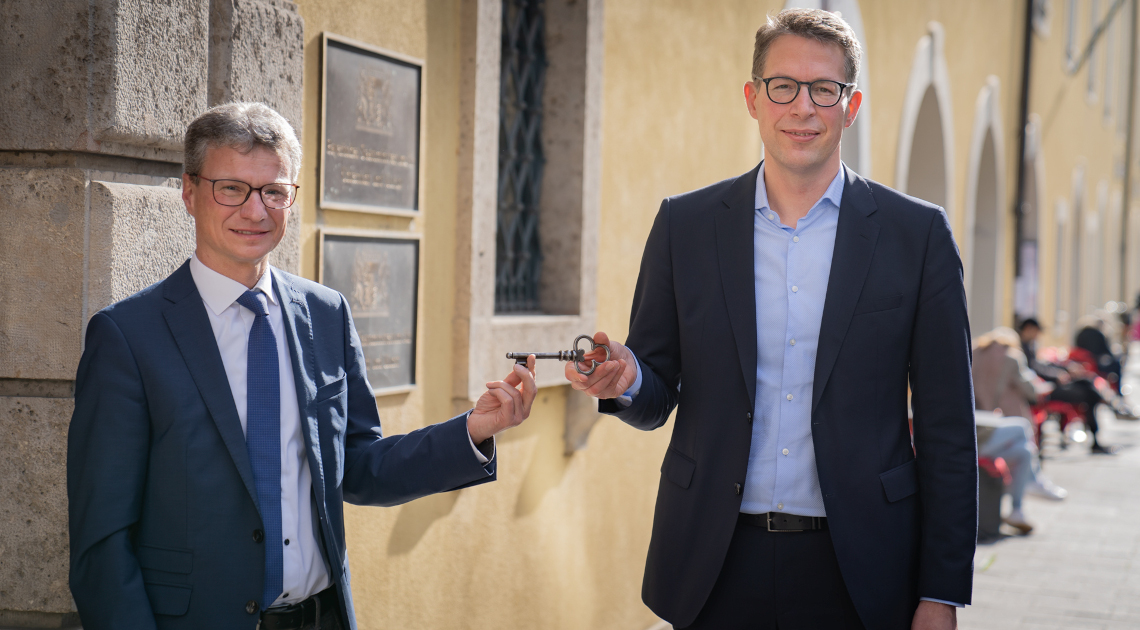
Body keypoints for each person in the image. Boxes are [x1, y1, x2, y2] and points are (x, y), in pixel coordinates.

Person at [565, 9, 976, 630]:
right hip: (712, 561)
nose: (802, 107)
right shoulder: (685, 226)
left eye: (824, 89)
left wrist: (940, 591)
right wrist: (625, 382)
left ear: (851, 105)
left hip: (863, 568)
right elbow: (656, 391)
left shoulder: (916, 235)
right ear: (753, 99)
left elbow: (948, 429)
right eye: (783, 86)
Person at [67, 102, 538, 630]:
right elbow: (101, 544)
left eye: (273, 191)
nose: (255, 211)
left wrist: (474, 430)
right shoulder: (128, 336)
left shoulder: (325, 313)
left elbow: (357, 467)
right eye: (232, 189)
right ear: (189, 193)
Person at [971, 328, 1067, 534]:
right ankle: (1034, 480)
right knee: (1022, 427)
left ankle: (1017, 509)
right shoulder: (1011, 358)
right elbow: (1030, 390)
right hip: (980, 433)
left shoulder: (973, 353)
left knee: (1024, 451)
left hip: (979, 424)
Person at [1018, 317, 1118, 453]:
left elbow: (1039, 366)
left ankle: (1106, 403)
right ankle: (1106, 410)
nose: (1037, 335)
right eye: (1036, 331)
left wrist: (1064, 369)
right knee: (1089, 395)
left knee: (1086, 382)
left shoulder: (1027, 345)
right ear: (1028, 329)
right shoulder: (1020, 348)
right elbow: (1034, 369)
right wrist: (1058, 375)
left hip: (1048, 384)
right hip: (1045, 389)